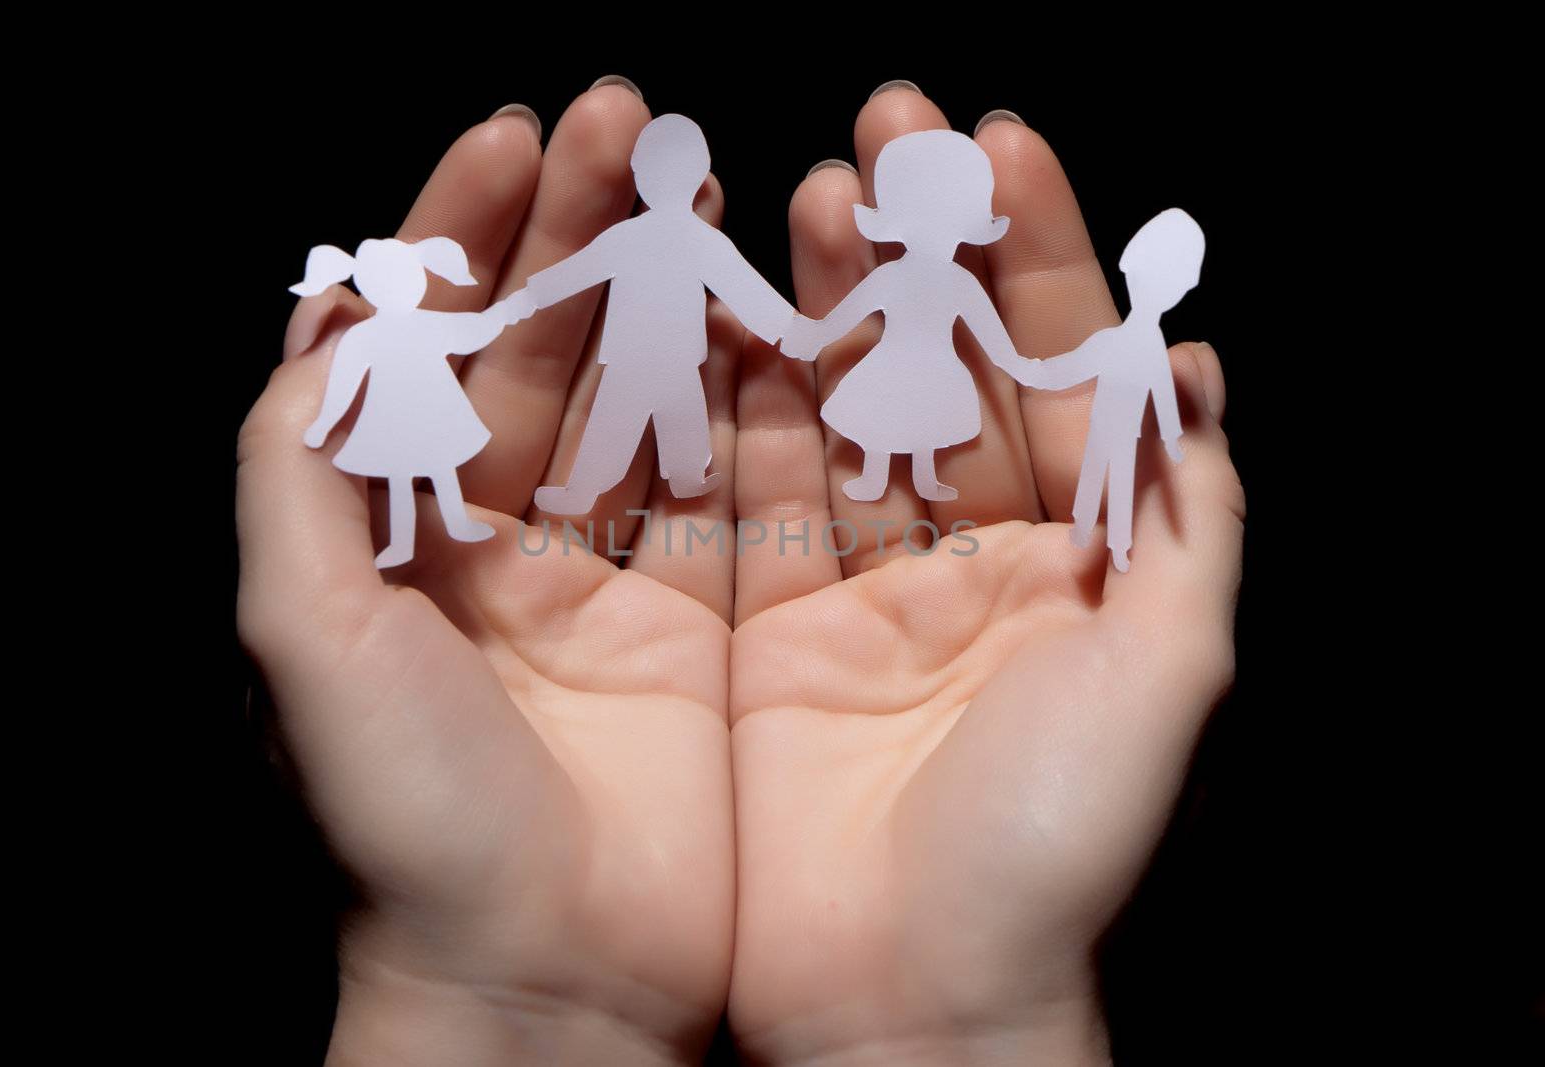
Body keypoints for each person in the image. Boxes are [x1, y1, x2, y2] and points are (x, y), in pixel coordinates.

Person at [238, 80, 1244, 1064]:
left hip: (673, 371)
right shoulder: (664, 242)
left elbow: (682, 289)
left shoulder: (677, 242)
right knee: (630, 448)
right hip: (659, 368)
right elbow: (619, 283)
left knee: (660, 446)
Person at [523, 113, 795, 514]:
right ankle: (626, 484)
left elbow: (573, 273)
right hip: (665, 354)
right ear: (700, 175)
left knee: (652, 418)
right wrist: (793, 329)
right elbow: (747, 290)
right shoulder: (696, 239)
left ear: (639, 174)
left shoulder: (635, 236)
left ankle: (625, 485)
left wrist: (527, 296)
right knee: (652, 416)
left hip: (643, 354)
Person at [780, 129, 1043, 502]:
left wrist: (1019, 365)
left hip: (934, 367)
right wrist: (818, 335)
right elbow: (848, 314)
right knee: (883, 419)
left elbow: (993, 339)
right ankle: (875, 477)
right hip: (898, 363)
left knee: (922, 420)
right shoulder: (900, 276)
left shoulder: (957, 282)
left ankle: (924, 477)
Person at [291, 236, 534, 568]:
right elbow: (342, 384)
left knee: (441, 466)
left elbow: (470, 331)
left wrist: (505, 314)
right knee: (403, 477)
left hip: (433, 409)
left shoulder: (421, 324)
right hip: (391, 418)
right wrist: (323, 423)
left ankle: (458, 525)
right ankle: (402, 545)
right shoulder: (364, 336)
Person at [1027, 208, 1205, 572]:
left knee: (1119, 482)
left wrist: (1171, 437)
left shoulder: (1148, 344)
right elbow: (1072, 367)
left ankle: (1118, 544)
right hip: (1104, 422)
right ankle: (1083, 529)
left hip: (1126, 430)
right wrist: (1033, 372)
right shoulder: (1115, 340)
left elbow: (1162, 390)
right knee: (1095, 474)